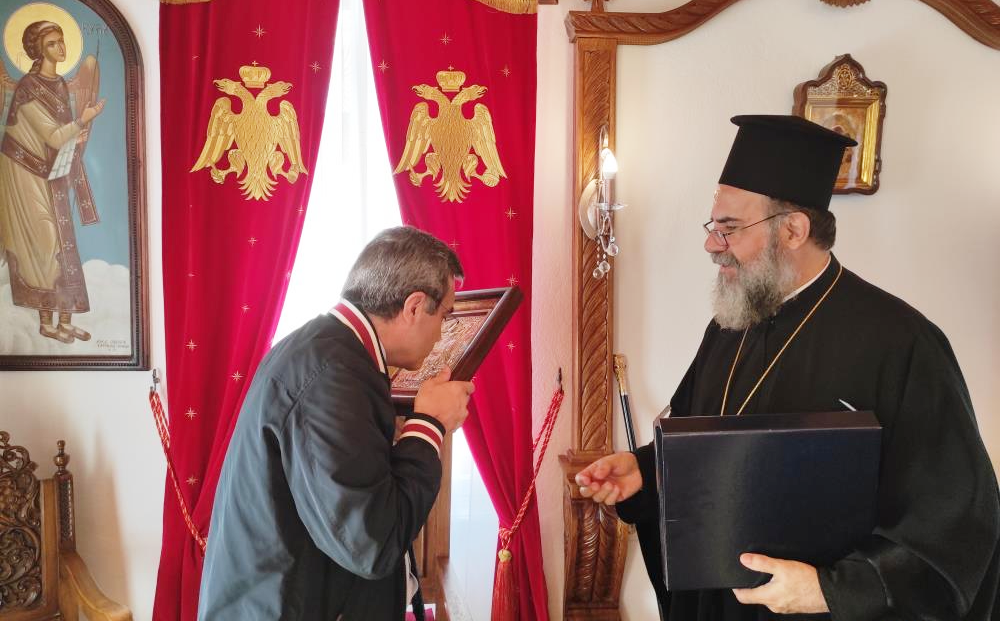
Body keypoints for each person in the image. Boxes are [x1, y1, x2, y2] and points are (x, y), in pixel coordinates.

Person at [576, 115, 1000, 620]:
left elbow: (956, 521)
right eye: (714, 228)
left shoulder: (903, 343)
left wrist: (831, 590)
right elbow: (704, 446)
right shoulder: (731, 325)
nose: (712, 244)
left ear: (794, 230)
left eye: (729, 229)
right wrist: (647, 472)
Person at [198, 226, 475, 620]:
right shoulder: (332, 376)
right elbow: (371, 544)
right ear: (414, 307)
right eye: (445, 315)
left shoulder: (327, 350)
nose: (443, 333)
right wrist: (429, 426)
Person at [0, 20, 105, 343]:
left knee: (64, 241)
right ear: (38, 50)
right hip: (23, 173)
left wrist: (77, 133)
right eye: (51, 43)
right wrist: (83, 120)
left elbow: (60, 137)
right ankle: (47, 323)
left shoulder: (58, 83)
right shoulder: (28, 87)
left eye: (61, 41)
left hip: (50, 170)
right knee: (45, 244)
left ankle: (65, 320)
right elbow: (54, 135)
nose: (60, 47)